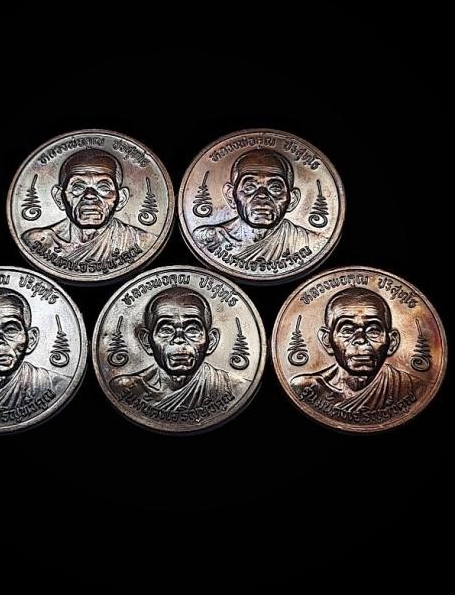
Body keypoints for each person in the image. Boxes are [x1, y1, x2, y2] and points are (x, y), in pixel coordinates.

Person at [290, 288, 427, 412]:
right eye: (347, 330)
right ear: (327, 340)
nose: (361, 339)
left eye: (373, 330)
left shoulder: (414, 388)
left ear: (392, 342)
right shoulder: (307, 388)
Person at [111, 288, 248, 411]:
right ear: (147, 341)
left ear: (211, 341)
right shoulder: (126, 388)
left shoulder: (233, 387)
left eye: (192, 330)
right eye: (166, 330)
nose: (179, 339)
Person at [22, 148, 155, 263]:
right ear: (59, 197)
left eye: (103, 187)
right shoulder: (38, 241)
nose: (90, 195)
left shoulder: (141, 241)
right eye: (78, 187)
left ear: (121, 198)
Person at [194, 148, 324, 261]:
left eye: (275, 188)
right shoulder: (212, 238)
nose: (262, 195)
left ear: (292, 200)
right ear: (231, 195)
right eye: (249, 187)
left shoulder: (307, 242)